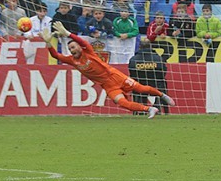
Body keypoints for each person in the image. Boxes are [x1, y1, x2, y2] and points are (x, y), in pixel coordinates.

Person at [43, 21, 175, 118]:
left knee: (140, 88)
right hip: (108, 85)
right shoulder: (72, 60)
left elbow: (83, 42)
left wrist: (67, 34)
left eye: (74, 47)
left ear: (80, 47)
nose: (72, 50)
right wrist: (48, 43)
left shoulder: (88, 52)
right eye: (70, 49)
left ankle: (163, 96)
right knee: (122, 103)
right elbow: (55, 55)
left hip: (115, 76)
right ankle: (149, 109)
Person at [128, 39, 169, 114]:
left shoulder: (133, 59)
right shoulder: (158, 58)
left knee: (139, 86)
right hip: (156, 86)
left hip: (139, 87)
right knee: (162, 84)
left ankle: (141, 109)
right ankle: (157, 107)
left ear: (139, 47)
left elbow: (132, 74)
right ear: (150, 46)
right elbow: (163, 72)